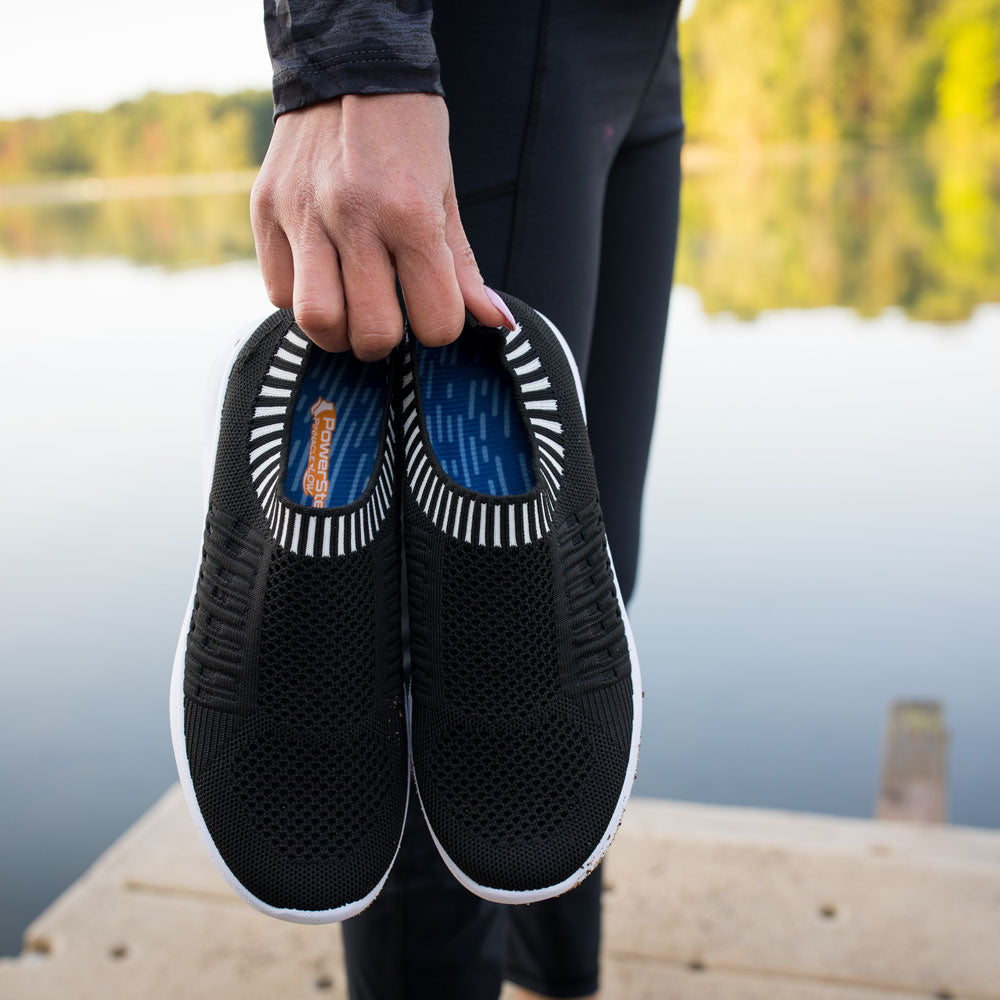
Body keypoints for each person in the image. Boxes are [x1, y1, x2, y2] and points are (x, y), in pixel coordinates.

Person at [251, 1, 684, 996]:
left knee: (587, 605)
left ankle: (556, 977)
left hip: (640, 48)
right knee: (469, 658)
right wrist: (345, 53)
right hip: (468, 44)